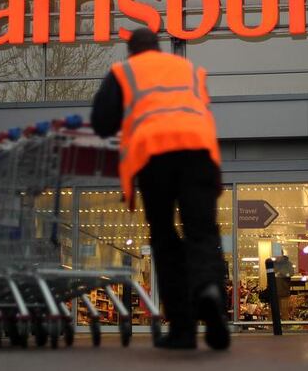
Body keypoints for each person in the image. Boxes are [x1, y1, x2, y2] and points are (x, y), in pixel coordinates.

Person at [91, 28, 229, 350]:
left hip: (155, 159)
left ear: (131, 50)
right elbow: (202, 116)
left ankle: (182, 329)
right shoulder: (189, 69)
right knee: (203, 232)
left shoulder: (124, 72)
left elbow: (102, 122)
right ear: (159, 47)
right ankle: (209, 291)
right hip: (199, 154)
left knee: (165, 239)